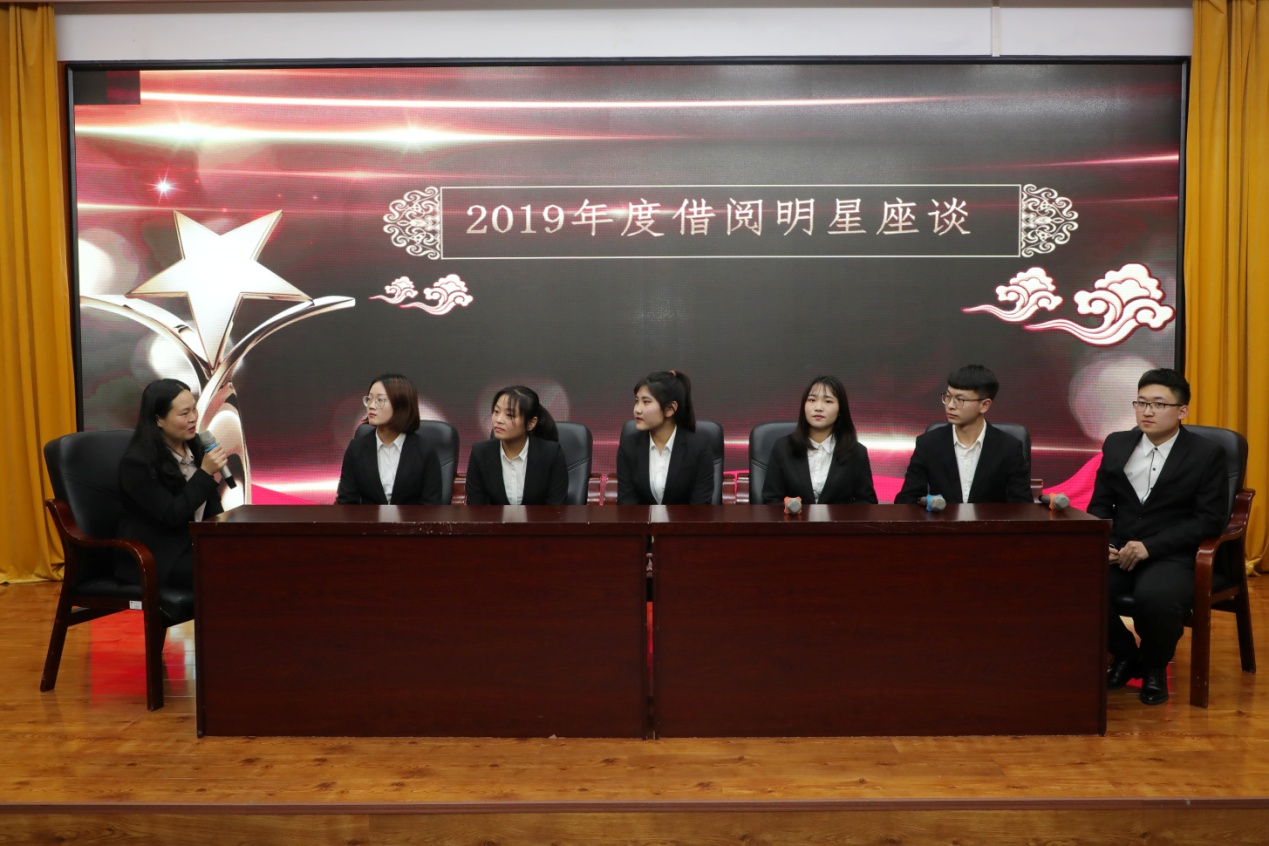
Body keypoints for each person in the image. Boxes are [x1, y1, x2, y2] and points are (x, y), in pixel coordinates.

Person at [1089, 368, 1227, 705]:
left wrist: (1150, 547)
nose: (1147, 411)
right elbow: (1100, 504)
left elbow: (1210, 520)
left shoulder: (1206, 454)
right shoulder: (1117, 443)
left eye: (1159, 404)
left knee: (1156, 598)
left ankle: (1153, 668)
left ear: (1182, 411)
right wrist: (1105, 542)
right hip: (1120, 549)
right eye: (1141, 403)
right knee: (1076, 586)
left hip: (1172, 553)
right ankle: (1126, 656)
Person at [117, 378, 228, 589]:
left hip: (195, 546)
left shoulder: (196, 446)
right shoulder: (137, 463)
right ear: (159, 420)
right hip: (160, 555)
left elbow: (211, 504)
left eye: (194, 410)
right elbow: (171, 516)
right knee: (227, 572)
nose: (193, 418)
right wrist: (204, 473)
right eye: (184, 414)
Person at [894, 364, 1032, 505]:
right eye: (948, 397)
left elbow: (1022, 505)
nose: (950, 405)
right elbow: (906, 500)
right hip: (942, 519)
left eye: (960, 400)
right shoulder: (928, 444)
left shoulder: (1009, 448)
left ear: (984, 405)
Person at [761, 375, 878, 505]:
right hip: (793, 518)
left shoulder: (856, 452)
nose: (818, 407)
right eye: (812, 400)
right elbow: (770, 499)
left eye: (828, 401)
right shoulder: (782, 447)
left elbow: (867, 501)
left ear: (840, 409)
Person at [335, 373, 443, 505]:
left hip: (413, 519)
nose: (371, 406)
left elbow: (432, 505)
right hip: (368, 518)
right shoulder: (356, 448)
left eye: (380, 400)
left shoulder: (425, 450)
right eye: (369, 399)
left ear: (401, 404)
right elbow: (347, 502)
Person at [617, 370, 714, 505]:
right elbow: (627, 504)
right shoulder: (628, 446)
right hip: (641, 519)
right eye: (636, 401)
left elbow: (700, 506)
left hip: (687, 519)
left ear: (670, 408)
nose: (637, 410)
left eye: (646, 402)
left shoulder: (699, 447)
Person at [464, 386, 569, 505]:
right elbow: (475, 508)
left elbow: (556, 509)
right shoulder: (480, 453)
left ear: (531, 423)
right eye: (496, 412)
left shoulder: (552, 454)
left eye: (509, 415)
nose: (498, 420)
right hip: (493, 518)